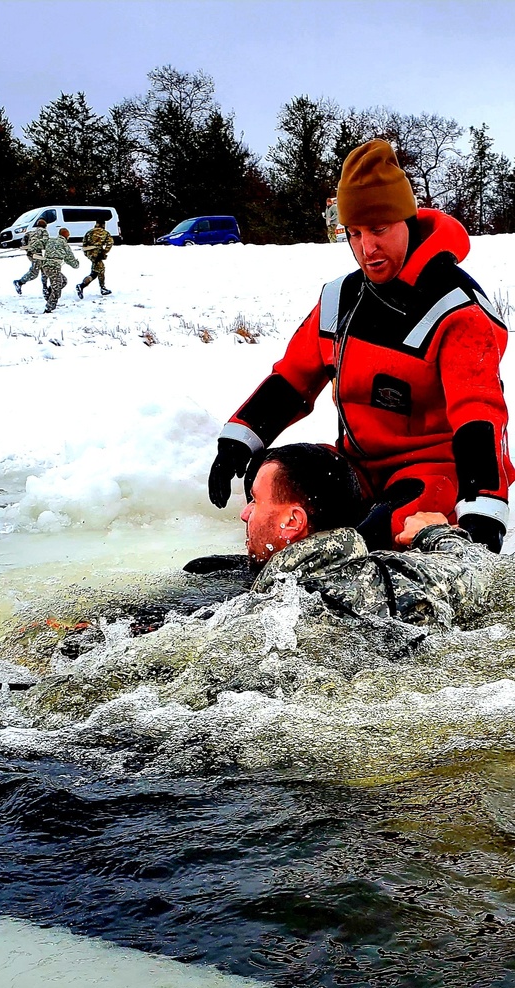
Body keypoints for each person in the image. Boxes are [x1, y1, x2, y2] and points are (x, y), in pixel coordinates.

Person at [208, 138, 511, 553]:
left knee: (373, 539)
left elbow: (478, 415)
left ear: (407, 221)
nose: (367, 249)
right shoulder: (339, 299)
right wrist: (239, 441)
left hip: (431, 471)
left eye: (380, 230)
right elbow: (293, 379)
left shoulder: (458, 311)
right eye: (355, 233)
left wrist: (484, 507)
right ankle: (262, 577)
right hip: (356, 464)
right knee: (275, 481)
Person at [240, 442, 492, 626]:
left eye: (255, 500)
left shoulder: (266, 614)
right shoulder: (400, 577)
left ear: (293, 521)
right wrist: (433, 533)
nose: (244, 513)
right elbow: (480, 568)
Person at [39, 228, 79, 314]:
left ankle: (49, 293)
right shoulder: (64, 244)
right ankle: (48, 309)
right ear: (67, 236)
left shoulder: (50, 240)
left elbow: (40, 243)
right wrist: (76, 264)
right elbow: (70, 259)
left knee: (63, 281)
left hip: (45, 267)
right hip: (53, 268)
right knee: (57, 289)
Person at [76, 218, 114, 298]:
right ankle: (83, 286)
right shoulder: (105, 233)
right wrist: (104, 252)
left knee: (96, 271)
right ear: (103, 224)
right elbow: (110, 243)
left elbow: (84, 243)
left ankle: (100, 287)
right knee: (100, 270)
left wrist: (87, 254)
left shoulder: (89, 232)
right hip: (98, 254)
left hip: (90, 253)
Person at [14, 218, 49, 295]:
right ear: (45, 226)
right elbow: (45, 242)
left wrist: (28, 249)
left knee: (43, 268)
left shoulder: (31, 232)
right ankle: (19, 282)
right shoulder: (44, 231)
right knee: (35, 272)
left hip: (31, 254)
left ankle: (45, 288)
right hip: (37, 254)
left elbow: (23, 241)